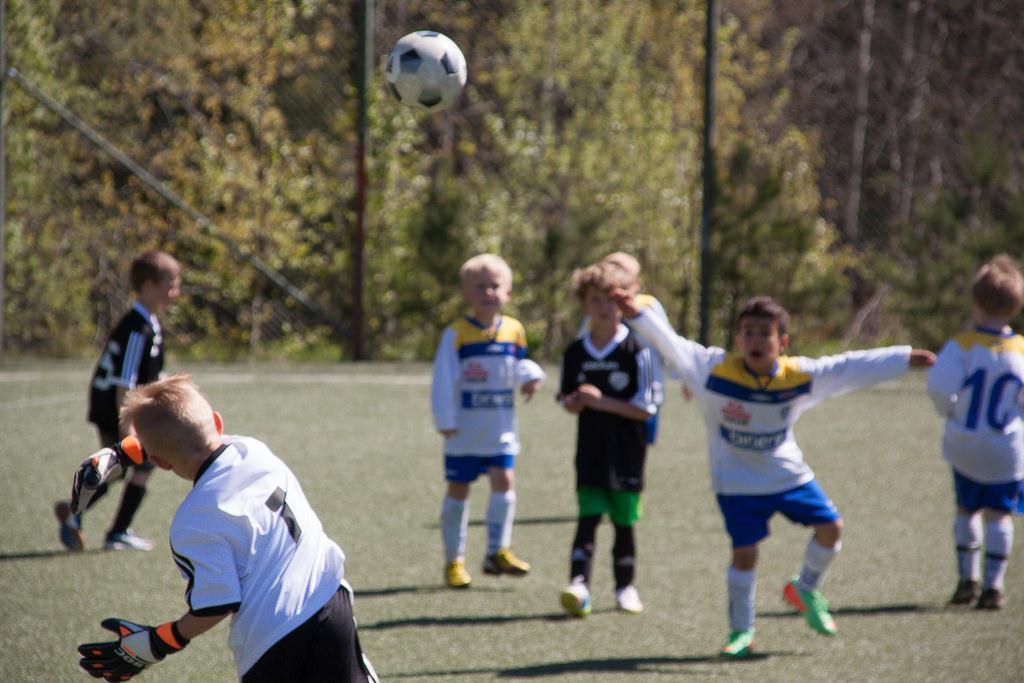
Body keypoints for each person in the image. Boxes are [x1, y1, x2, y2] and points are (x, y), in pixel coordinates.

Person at [611, 290, 935, 658]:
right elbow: (671, 345)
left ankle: (806, 587)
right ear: (738, 340)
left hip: (786, 473)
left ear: (781, 342)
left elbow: (846, 367)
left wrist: (901, 358)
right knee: (745, 554)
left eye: (764, 333)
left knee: (831, 528)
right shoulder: (713, 371)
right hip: (735, 482)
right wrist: (637, 314)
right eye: (747, 332)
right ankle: (741, 632)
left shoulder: (797, 375)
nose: (755, 340)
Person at [73, 374, 378, 682]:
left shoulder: (193, 521)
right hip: (328, 599)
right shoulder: (254, 450)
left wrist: (160, 641)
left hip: (273, 639)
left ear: (161, 464)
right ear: (218, 423)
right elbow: (185, 431)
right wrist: (123, 453)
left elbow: (217, 602)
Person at [430, 253, 546, 588]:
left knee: (504, 481)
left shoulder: (514, 330)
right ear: (466, 293)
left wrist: (531, 375)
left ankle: (498, 551)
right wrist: (446, 418)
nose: (488, 292)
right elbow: (443, 378)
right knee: (458, 489)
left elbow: (518, 365)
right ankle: (454, 561)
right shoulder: (456, 333)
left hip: (500, 429)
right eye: (479, 286)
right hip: (464, 431)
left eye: (495, 286)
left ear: (508, 292)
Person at [55, 250, 182, 552]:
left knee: (133, 467)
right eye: (171, 285)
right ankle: (91, 521)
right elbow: (123, 384)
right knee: (126, 466)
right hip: (114, 408)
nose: (175, 293)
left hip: (118, 407)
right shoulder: (137, 329)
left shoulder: (148, 323)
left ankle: (99, 523)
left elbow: (149, 373)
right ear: (149, 286)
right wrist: (128, 429)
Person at [559, 262, 657, 617]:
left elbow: (646, 409)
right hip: (590, 453)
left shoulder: (637, 351)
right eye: (596, 300)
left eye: (612, 300)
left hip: (627, 455)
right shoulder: (575, 352)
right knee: (587, 519)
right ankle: (578, 584)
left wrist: (601, 402)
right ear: (585, 304)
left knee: (623, 523)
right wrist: (574, 403)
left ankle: (625, 587)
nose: (604, 307)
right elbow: (567, 400)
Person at [926, 254, 1024, 610]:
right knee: (1000, 515)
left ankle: (968, 579)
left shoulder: (962, 345)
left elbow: (939, 386)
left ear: (976, 302)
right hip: (1006, 449)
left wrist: (951, 411)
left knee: (966, 509)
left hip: (966, 444)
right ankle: (994, 587)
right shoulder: (1021, 350)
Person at [576, 252, 680, 446]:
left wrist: (680, 374)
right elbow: (581, 345)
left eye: (621, 272)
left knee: (639, 441)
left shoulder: (648, 306)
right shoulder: (597, 311)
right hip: (607, 390)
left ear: (635, 283)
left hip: (646, 387)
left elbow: (666, 340)